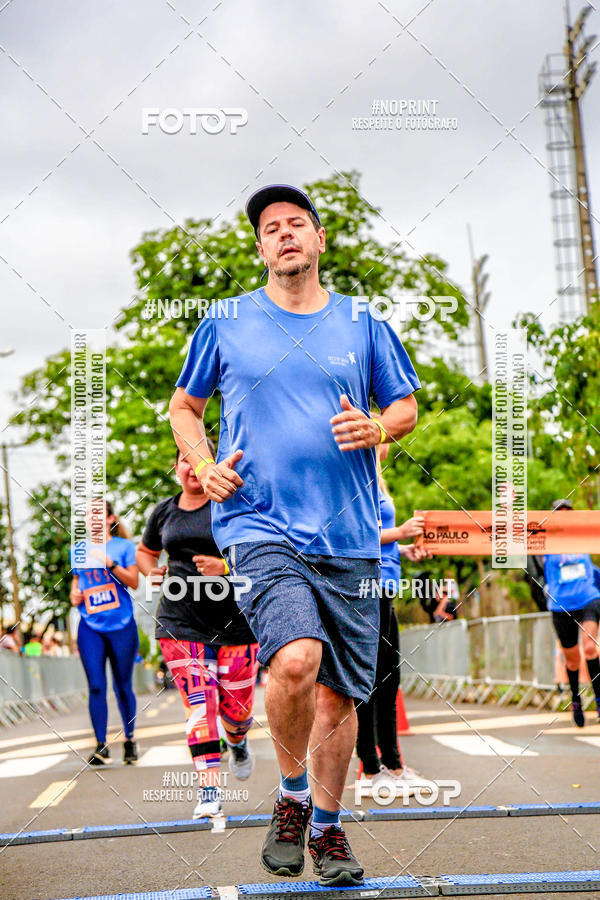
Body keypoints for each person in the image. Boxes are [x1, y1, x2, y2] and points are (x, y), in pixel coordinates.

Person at [169, 183, 420, 886]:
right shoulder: (225, 321)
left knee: (340, 695)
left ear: (318, 241)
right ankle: (290, 796)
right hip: (258, 523)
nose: (284, 234)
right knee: (297, 658)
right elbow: (184, 407)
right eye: (271, 227)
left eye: (296, 224)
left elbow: (404, 405)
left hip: (349, 535)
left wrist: (379, 426)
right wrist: (204, 463)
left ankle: (329, 831)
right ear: (260, 247)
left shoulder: (362, 322)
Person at [136, 442, 259, 818]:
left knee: (236, 712)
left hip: (236, 623)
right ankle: (209, 790)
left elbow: (259, 551)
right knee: (200, 707)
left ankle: (237, 740)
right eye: (184, 462)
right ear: (175, 468)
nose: (191, 469)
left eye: (198, 461)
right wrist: (151, 572)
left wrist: (225, 567)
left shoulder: (231, 503)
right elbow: (145, 552)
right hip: (180, 622)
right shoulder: (164, 512)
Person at [355, 441, 433, 797]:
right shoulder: (354, 476)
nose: (388, 444)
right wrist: (399, 532)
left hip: (386, 583)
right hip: (364, 584)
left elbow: (379, 538)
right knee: (371, 678)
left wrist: (404, 548)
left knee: (389, 676)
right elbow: (352, 534)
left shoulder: (377, 478)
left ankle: (393, 764)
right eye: (383, 436)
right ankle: (371, 769)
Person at [70, 498, 140, 765]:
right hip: (90, 626)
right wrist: (75, 595)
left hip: (121, 625)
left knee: (122, 686)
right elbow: (77, 587)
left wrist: (109, 563)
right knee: (96, 686)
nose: (93, 519)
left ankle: (130, 740)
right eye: (88, 515)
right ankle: (101, 745)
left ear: (110, 519)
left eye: (98, 514)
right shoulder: (77, 550)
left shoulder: (124, 546)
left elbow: (133, 581)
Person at [544, 498, 600, 727]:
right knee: (573, 660)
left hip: (588, 597)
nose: (565, 516)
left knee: (589, 647)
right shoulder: (544, 541)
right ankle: (575, 698)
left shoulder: (584, 535)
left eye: (568, 512)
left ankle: (599, 699)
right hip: (561, 605)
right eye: (559, 513)